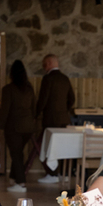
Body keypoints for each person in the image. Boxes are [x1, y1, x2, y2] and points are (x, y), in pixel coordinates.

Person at [0, 60, 36, 193]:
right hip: (29, 127)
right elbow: (34, 108)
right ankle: (14, 178)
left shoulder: (8, 89)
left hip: (13, 128)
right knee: (18, 153)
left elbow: (4, 111)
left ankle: (21, 183)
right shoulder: (29, 89)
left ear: (11, 74)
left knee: (16, 154)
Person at [34, 54, 75, 183]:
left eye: (45, 63)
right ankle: (64, 174)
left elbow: (43, 100)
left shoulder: (47, 79)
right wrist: (64, 111)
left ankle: (52, 174)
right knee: (64, 148)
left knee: (49, 147)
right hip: (64, 119)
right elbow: (72, 99)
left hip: (51, 120)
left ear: (50, 63)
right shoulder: (65, 78)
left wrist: (35, 114)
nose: (43, 66)